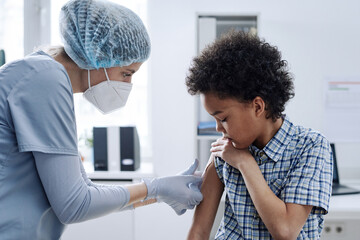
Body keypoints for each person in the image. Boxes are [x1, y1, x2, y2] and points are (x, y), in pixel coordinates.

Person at [0, 0, 203, 239]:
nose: (127, 85)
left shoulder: (47, 79)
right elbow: (74, 205)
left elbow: (87, 192)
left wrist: (157, 194)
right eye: (126, 73)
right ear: (97, 55)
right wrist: (155, 188)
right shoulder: (45, 79)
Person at [185, 31, 333, 240]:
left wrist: (245, 163)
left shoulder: (311, 146)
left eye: (224, 118)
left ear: (257, 106)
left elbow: (286, 231)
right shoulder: (224, 153)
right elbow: (199, 231)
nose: (218, 129)